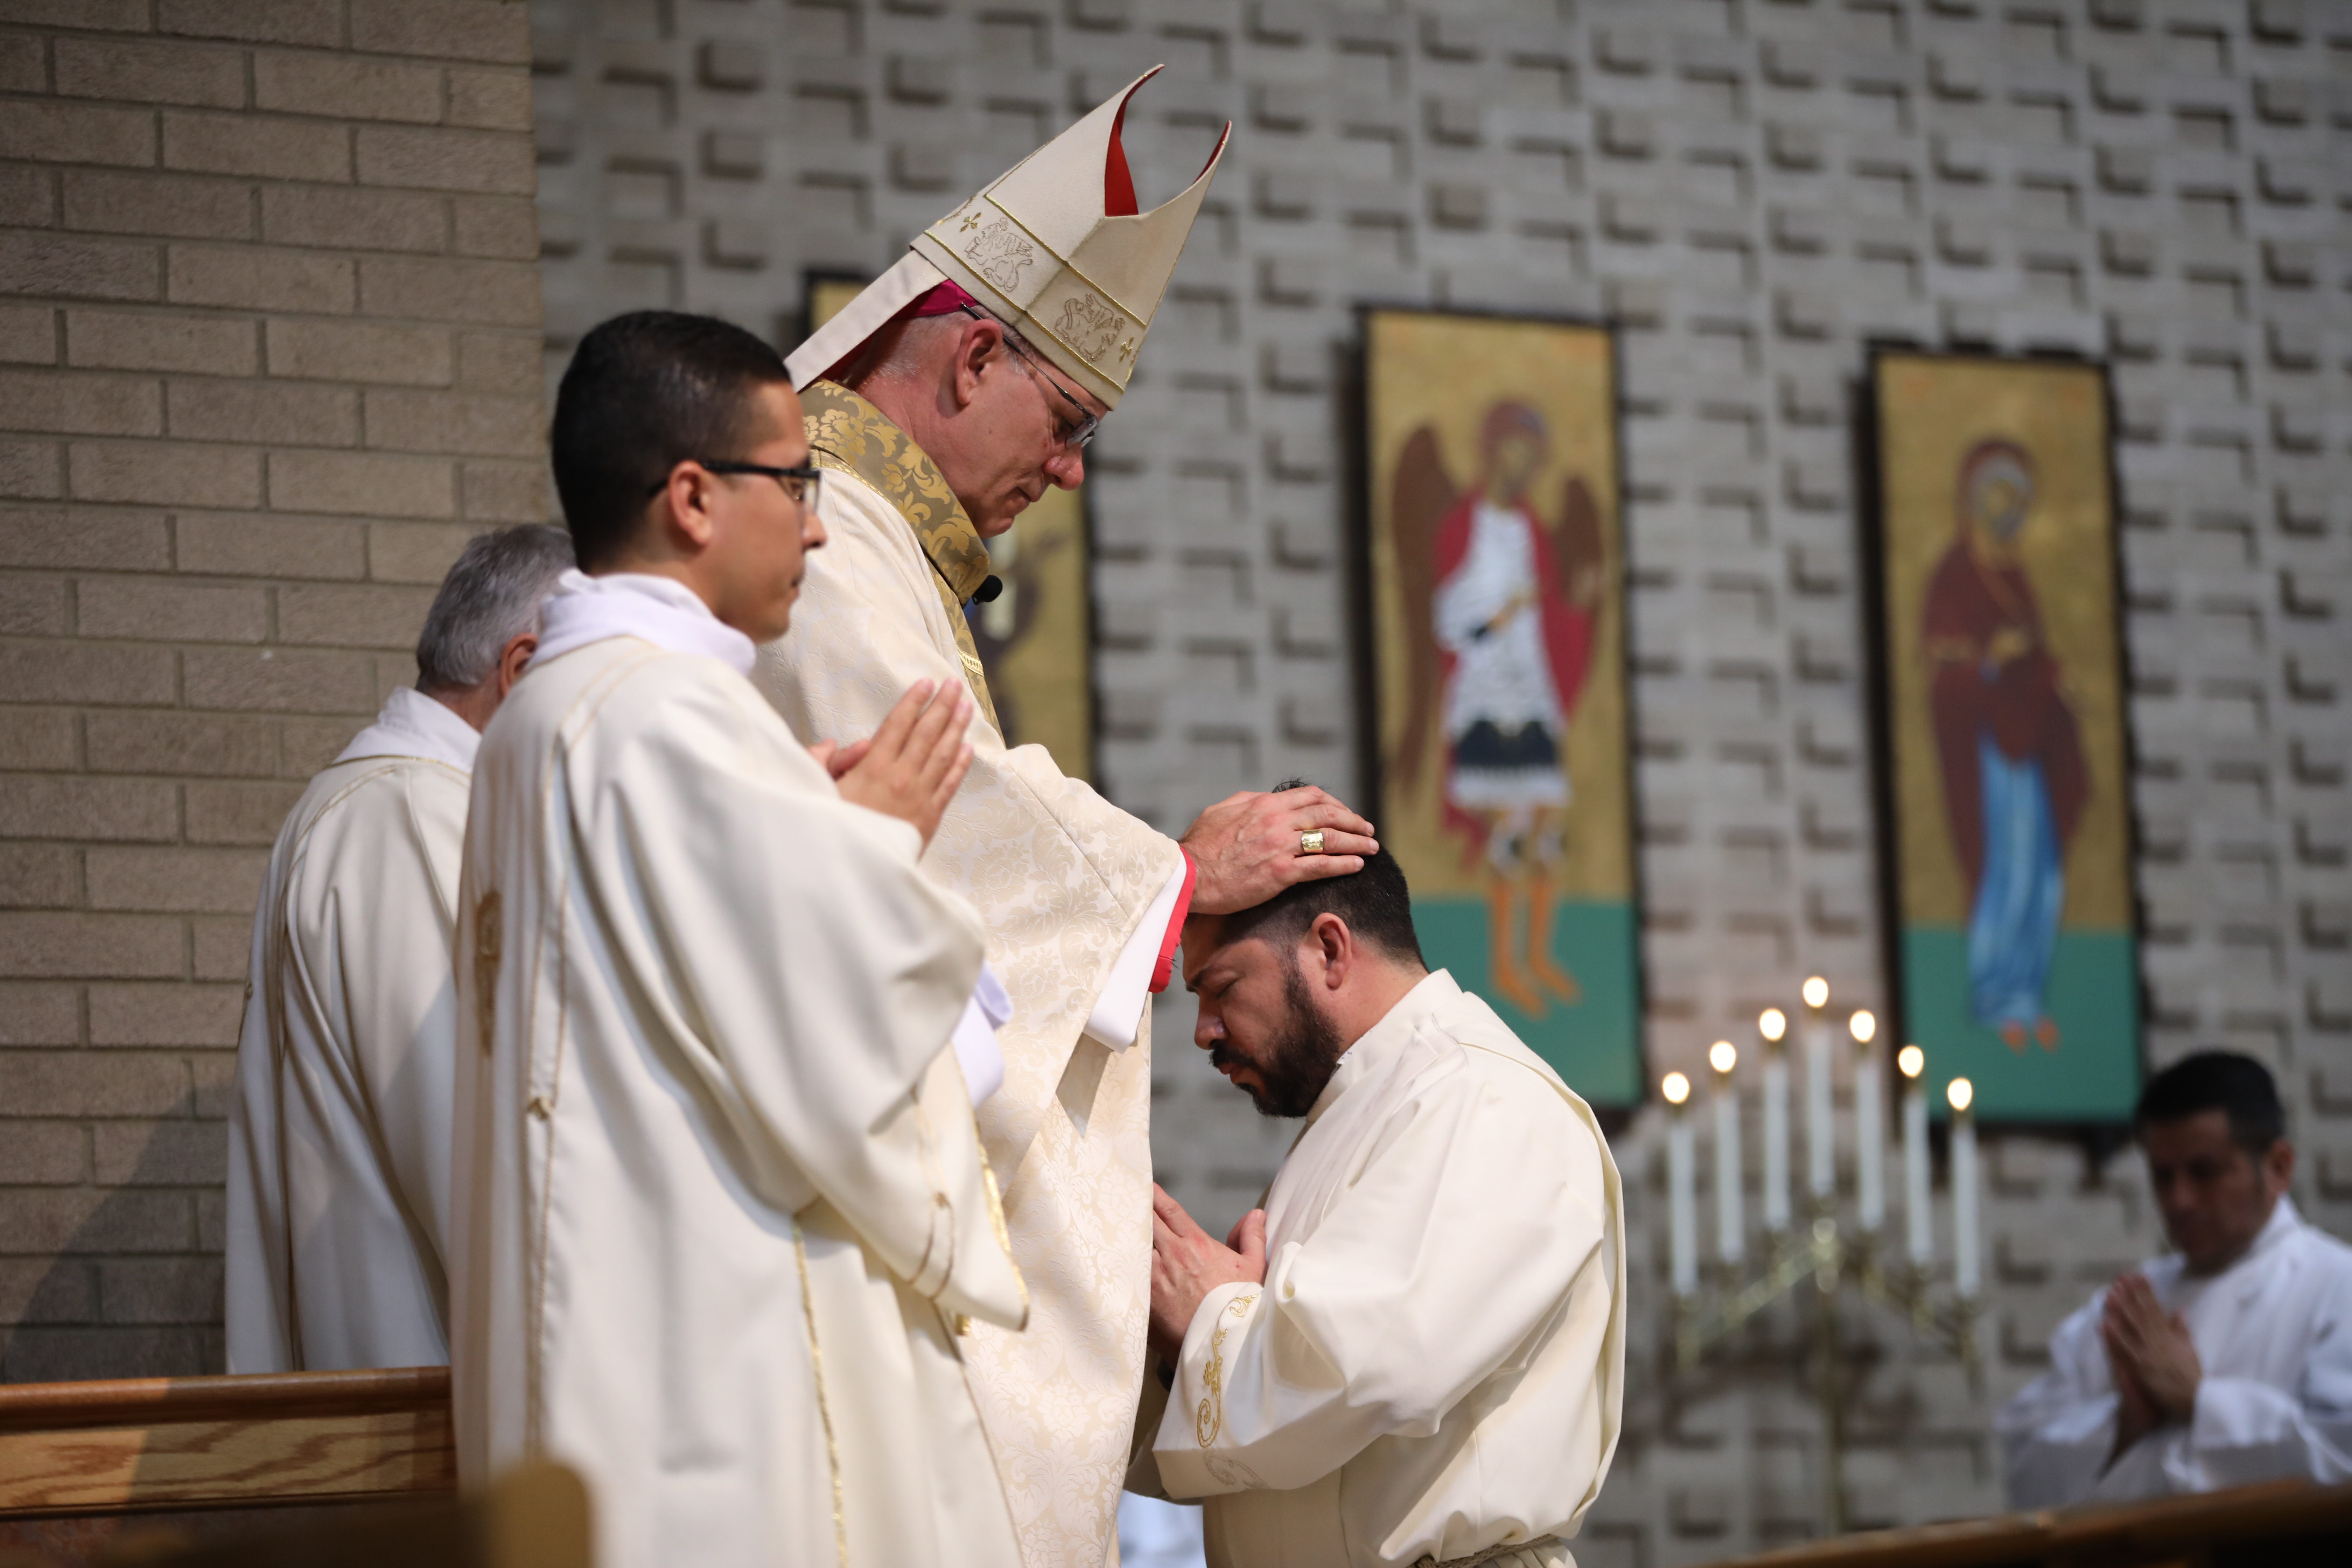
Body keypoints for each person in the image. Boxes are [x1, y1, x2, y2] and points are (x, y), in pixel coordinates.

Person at [763, 66, 1380, 1566]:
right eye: (1069, 416)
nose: (1073, 467)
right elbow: (953, 825)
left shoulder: (888, 556)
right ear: (972, 358)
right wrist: (1179, 870)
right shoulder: (826, 549)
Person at [451, 312, 1028, 1568]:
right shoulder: (673, 723)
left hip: (611, 1355)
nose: (817, 526)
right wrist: (874, 851)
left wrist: (814, 838)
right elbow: (830, 1071)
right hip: (715, 1371)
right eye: (800, 482)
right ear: (697, 498)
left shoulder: (535, 724)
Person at [1129, 815, 1626, 1568]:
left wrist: (1211, 1312)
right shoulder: (1367, 1106)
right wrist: (1179, 1333)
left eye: (1220, 987)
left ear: (1329, 948)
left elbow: (1373, 1364)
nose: (1203, 1032)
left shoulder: (1483, 1097)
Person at [225, 523, 573, 1374]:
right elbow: (486, 1167)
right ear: (522, 670)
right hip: (432, 1404)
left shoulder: (390, 802)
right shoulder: (414, 817)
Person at [1996, 1051, 2352, 1505]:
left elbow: (2342, 1461)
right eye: (2163, 1176)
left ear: (2279, 1167)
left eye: (2205, 1172)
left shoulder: (2338, 1287)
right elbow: (2025, 1468)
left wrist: (2202, 1402)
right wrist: (2125, 1426)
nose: (2179, 1200)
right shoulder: (2127, 1305)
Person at [1922, 439, 2087, 1052]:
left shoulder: (2016, 577)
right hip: (1989, 747)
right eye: (1992, 494)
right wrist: (1993, 659)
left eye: (2011, 497)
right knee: (2005, 863)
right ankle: (1995, 993)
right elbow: (1939, 653)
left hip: (2029, 742)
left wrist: (2051, 675)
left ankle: (2028, 994)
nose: (2001, 507)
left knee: (2041, 870)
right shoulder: (1956, 572)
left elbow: (2034, 650)